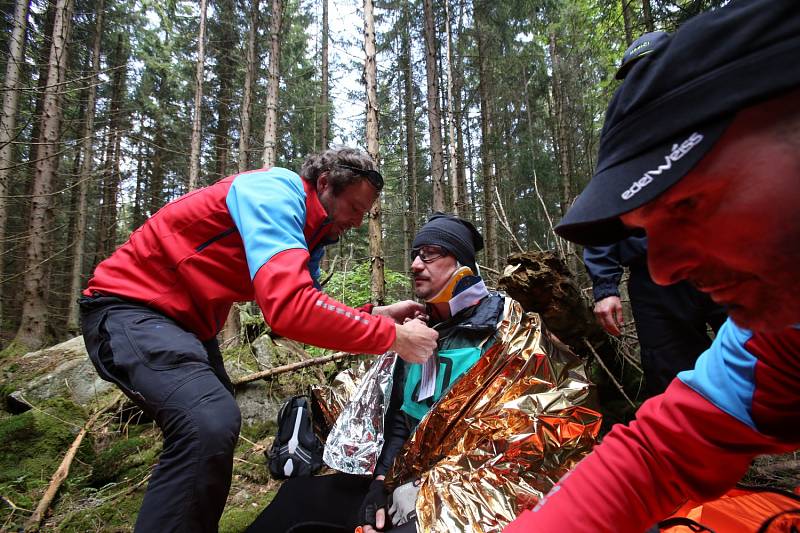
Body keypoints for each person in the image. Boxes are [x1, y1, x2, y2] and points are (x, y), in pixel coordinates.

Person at [506, 1, 800, 531]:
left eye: (689, 204)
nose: (665, 266)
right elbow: (663, 451)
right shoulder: (778, 336)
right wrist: (604, 285)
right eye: (646, 226)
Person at [79, 146, 439, 533]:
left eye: (363, 214)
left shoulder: (309, 234)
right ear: (324, 185)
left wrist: (377, 316)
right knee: (207, 422)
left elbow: (297, 315)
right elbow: (291, 308)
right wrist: (394, 336)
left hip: (186, 328)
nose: (356, 222)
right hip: (129, 307)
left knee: (213, 433)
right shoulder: (275, 192)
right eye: (353, 209)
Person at [246, 213, 505, 533]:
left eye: (429, 254)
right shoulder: (418, 331)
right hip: (402, 482)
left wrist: (429, 487)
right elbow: (399, 419)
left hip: (468, 496)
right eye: (414, 255)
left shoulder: (500, 333)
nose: (415, 265)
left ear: (461, 264)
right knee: (295, 498)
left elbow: (505, 441)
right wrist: (380, 485)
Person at [584, 235, 726, 397]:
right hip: (654, 271)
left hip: (725, 256)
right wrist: (605, 286)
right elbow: (601, 221)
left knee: (753, 352)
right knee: (671, 375)